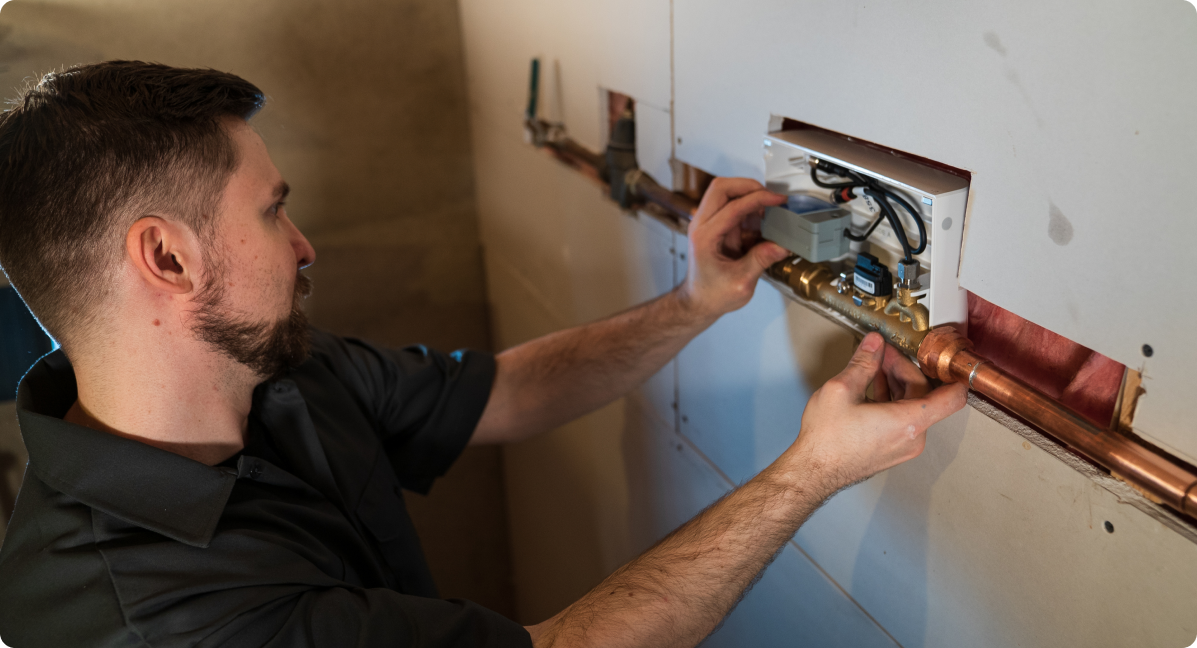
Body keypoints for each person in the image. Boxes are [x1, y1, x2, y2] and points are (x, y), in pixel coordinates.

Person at [0, 61, 966, 648]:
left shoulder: (268, 376)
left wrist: (692, 303)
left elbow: (498, 393)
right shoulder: (155, 619)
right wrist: (808, 476)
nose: (302, 245)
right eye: (272, 208)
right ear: (166, 258)